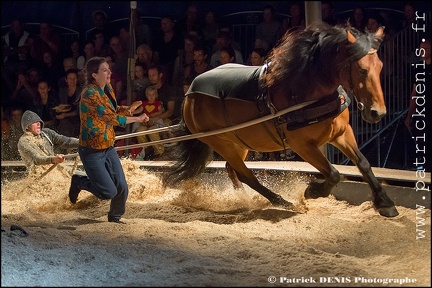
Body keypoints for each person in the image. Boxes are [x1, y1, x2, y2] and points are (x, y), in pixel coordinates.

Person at [68, 56, 149, 224]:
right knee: (107, 192)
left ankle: (115, 217)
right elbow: (111, 118)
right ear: (94, 75)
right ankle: (79, 180)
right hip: (92, 149)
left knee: (122, 187)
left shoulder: (107, 88)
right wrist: (137, 119)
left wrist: (128, 110)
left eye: (108, 69)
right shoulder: (90, 94)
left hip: (107, 145)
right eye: (104, 70)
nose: (109, 72)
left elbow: (113, 110)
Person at [17, 110, 79, 176]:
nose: (38, 124)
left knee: (84, 177)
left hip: (56, 169)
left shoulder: (46, 133)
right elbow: (37, 159)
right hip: (40, 174)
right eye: (34, 122)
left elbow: (66, 141)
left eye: (39, 122)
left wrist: (84, 143)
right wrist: (53, 159)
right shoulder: (24, 142)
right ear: (27, 126)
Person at [404, 38, 430, 171]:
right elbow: (415, 92)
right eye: (421, 49)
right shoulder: (419, 68)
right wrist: (410, 114)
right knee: (422, 139)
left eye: (425, 49)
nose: (423, 52)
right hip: (422, 109)